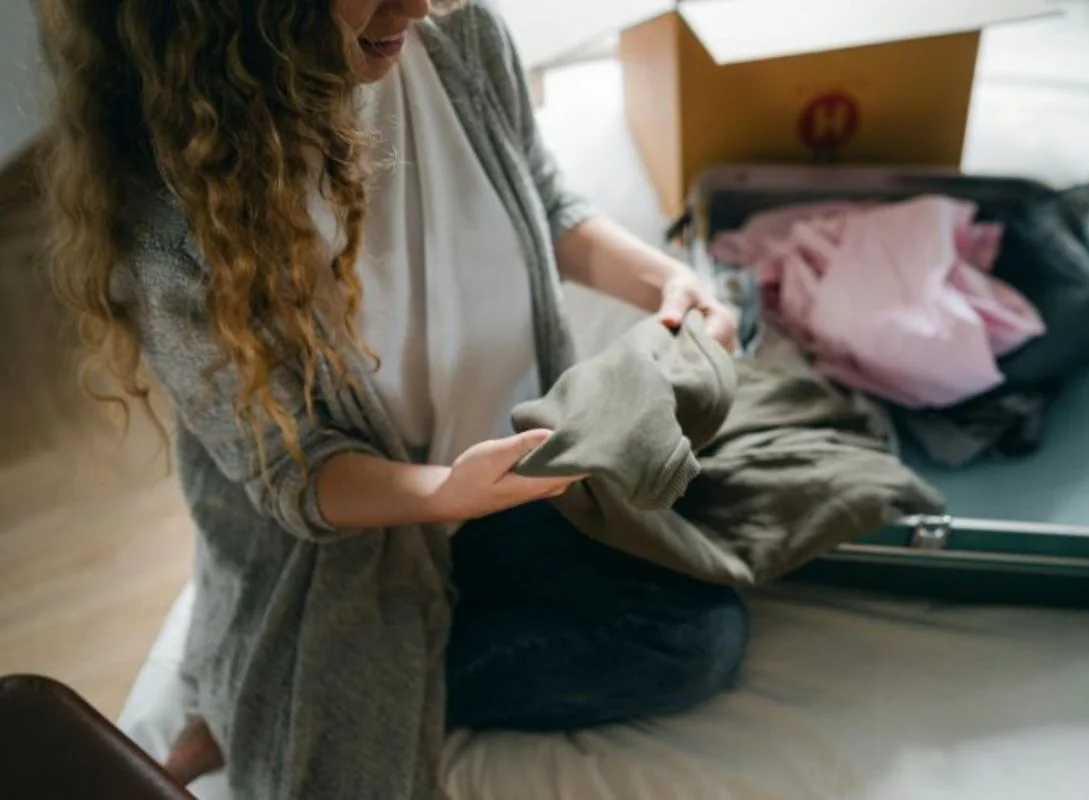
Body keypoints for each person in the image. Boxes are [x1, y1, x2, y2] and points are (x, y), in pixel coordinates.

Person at [42, 0, 748, 796]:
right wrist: (449, 494)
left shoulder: (456, 34)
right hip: (351, 541)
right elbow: (295, 474)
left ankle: (310, 683)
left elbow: (544, 201)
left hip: (515, 468)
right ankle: (265, 690)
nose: (415, 4)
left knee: (703, 631)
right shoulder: (171, 213)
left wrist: (667, 281)